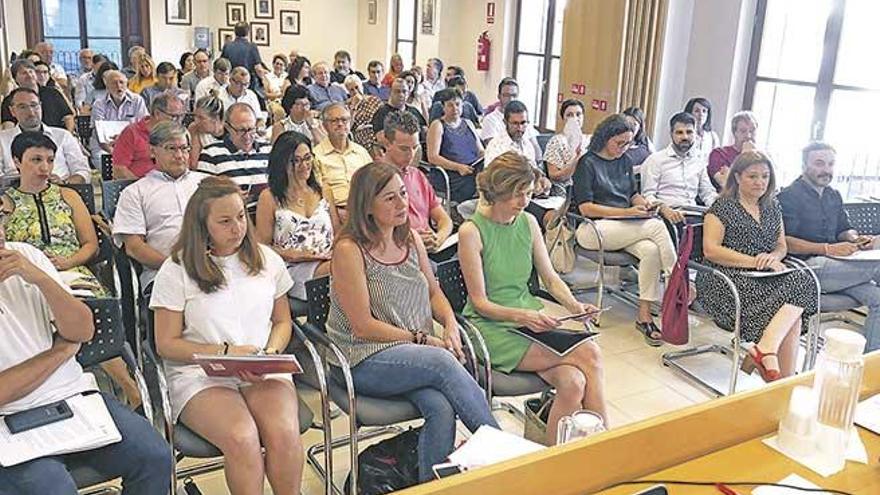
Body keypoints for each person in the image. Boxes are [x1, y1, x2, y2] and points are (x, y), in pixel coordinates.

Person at [327, 162, 498, 482]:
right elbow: (363, 326)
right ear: (367, 206)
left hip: (409, 355)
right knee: (443, 361)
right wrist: (424, 340)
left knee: (442, 408)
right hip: (360, 357)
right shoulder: (349, 250)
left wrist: (448, 324)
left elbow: (434, 293)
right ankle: (504, 453)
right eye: (389, 198)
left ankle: (431, 488)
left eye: (403, 194)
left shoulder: (410, 239)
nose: (402, 203)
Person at [150, 176, 305, 494]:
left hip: (262, 366)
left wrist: (271, 354)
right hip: (199, 373)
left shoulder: (266, 259)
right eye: (224, 221)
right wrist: (224, 352)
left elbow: (282, 323)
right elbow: (166, 344)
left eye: (240, 217)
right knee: (242, 437)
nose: (237, 228)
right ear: (202, 225)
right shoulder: (176, 269)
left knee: (284, 433)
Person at [0, 220, 173, 494]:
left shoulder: (24, 255)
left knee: (155, 456)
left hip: (74, 397)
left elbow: (83, 329)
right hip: (8, 419)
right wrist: (59, 352)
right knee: (53, 488)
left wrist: (40, 277)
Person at [459, 152, 607, 444]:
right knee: (591, 354)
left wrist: (575, 307)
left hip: (529, 322)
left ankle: (552, 463)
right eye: (517, 194)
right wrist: (523, 316)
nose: (524, 201)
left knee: (573, 383)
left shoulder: (527, 222)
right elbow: (480, 303)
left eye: (527, 193)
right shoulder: (471, 232)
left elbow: (550, 278)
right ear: (498, 191)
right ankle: (606, 446)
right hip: (491, 328)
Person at [697, 151, 818, 381]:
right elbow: (710, 250)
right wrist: (754, 261)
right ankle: (775, 368)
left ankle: (771, 361)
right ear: (738, 177)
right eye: (752, 176)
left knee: (802, 283)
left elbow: (781, 246)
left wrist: (773, 257)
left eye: (764, 176)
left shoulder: (772, 207)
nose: (760, 182)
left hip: (762, 276)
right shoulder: (721, 207)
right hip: (726, 278)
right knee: (794, 307)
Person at [571, 114, 677, 346]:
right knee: (657, 226)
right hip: (593, 228)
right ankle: (677, 283)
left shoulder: (625, 161)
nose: (623, 148)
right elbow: (586, 208)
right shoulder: (587, 163)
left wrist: (642, 204)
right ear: (605, 138)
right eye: (619, 143)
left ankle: (645, 315)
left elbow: (631, 195)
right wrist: (629, 213)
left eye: (628, 143)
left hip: (624, 227)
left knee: (650, 251)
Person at [779, 142, 880, 353]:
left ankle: (869, 369)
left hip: (840, 267)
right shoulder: (788, 196)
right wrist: (827, 248)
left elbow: (844, 228)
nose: (826, 170)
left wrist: (856, 238)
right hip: (805, 267)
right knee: (876, 268)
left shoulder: (833, 195)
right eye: (819, 163)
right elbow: (785, 241)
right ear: (804, 165)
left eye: (831, 164)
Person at [113, 121, 208, 296]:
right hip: (163, 274)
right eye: (172, 148)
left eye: (185, 148)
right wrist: (174, 267)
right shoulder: (135, 192)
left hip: (212, 268)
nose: (180, 155)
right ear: (152, 151)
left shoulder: (207, 184)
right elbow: (134, 247)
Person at [256, 131, 336, 300]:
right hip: (291, 266)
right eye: (296, 161)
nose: (304, 165)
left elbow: (339, 232)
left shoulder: (324, 191)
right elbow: (260, 246)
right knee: (340, 270)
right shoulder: (269, 197)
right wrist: (294, 254)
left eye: (307, 158)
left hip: (327, 259)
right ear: (282, 163)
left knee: (350, 265)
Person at [383, 111, 453, 257]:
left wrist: (438, 239)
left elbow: (444, 219)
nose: (411, 154)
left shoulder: (417, 175)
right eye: (404, 148)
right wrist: (412, 241)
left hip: (429, 248)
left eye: (415, 147)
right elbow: (369, 233)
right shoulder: (371, 180)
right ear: (387, 143)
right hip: (398, 254)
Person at [0, 88, 90, 184]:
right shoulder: (2, 139)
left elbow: (82, 171)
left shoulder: (63, 136)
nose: (31, 112)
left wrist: (64, 183)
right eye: (22, 107)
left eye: (34, 105)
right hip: (14, 193)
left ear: (41, 106)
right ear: (12, 111)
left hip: (60, 191)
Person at [640, 112, 718, 222]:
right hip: (666, 214)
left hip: (694, 213)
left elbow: (707, 192)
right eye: (679, 133)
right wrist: (663, 208)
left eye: (689, 132)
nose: (685, 137)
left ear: (695, 134)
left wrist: (720, 206)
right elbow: (647, 195)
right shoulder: (656, 160)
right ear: (671, 134)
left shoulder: (699, 160)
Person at [197, 103, 271, 211]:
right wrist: (230, 198)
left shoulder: (268, 150)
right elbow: (203, 197)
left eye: (251, 130)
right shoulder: (210, 154)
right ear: (228, 128)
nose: (247, 136)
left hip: (267, 214)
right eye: (241, 130)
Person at [426, 88, 485, 203]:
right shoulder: (438, 125)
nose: (455, 109)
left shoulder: (468, 123)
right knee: (481, 184)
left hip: (473, 169)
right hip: (452, 174)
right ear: (443, 107)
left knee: (494, 178)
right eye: (450, 105)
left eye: (458, 104)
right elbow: (433, 157)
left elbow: (480, 151)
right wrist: (458, 167)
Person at [313, 102, 372, 212]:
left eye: (344, 120)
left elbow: (374, 183)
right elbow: (317, 194)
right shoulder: (316, 156)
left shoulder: (361, 152)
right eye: (334, 121)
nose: (340, 124)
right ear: (324, 125)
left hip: (366, 210)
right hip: (334, 212)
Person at [113, 92, 186, 179]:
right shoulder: (131, 132)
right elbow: (119, 170)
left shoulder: (179, 134)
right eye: (174, 116)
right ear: (157, 114)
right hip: (140, 187)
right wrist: (142, 187)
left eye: (181, 116)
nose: (178, 121)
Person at [89, 69, 149, 169]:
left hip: (132, 144)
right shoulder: (99, 104)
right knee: (109, 165)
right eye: (114, 83)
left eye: (121, 82)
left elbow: (143, 127)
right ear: (107, 86)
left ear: (127, 83)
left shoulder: (137, 100)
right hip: (105, 147)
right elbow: (100, 136)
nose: (118, 86)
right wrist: (116, 152)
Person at [1, 59, 74, 133]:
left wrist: (68, 135)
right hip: (26, 140)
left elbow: (68, 117)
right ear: (15, 78)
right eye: (24, 73)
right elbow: (8, 126)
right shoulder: (9, 100)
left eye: (31, 71)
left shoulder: (53, 93)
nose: (29, 75)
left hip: (57, 136)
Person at [545, 99, 590, 196]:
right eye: (569, 115)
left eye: (578, 114)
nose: (575, 118)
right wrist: (577, 158)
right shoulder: (556, 141)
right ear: (563, 118)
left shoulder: (590, 140)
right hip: (567, 191)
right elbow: (554, 176)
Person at [484, 100, 544, 169]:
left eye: (523, 123)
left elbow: (533, 170)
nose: (520, 128)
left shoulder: (527, 144)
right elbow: (491, 177)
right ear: (505, 122)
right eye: (515, 123)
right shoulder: (495, 146)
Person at [480, 78, 538, 147]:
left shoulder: (523, 117)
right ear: (499, 96)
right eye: (506, 95)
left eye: (514, 96)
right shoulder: (490, 120)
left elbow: (535, 147)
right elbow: (493, 148)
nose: (511, 99)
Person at [708, 110, 758, 191]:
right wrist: (745, 156)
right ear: (735, 133)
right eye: (743, 131)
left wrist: (731, 173)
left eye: (752, 131)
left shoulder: (761, 158)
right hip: (728, 200)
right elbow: (727, 185)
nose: (748, 136)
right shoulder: (719, 154)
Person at [372, 77, 428, 143]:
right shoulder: (381, 113)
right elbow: (380, 138)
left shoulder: (414, 111)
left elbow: (425, 131)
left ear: (408, 93)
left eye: (404, 91)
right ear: (390, 92)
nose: (401, 95)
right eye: (397, 91)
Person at [344, 74, 384, 156]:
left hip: (375, 132)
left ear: (361, 86)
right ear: (348, 91)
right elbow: (348, 127)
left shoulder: (374, 100)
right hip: (360, 135)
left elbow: (383, 117)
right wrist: (354, 107)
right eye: (351, 90)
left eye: (357, 87)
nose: (355, 91)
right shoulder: (347, 106)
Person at [221, 21, 264, 89]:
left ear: (235, 32)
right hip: (246, 84)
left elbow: (222, 65)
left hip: (231, 83)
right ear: (248, 32)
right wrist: (264, 81)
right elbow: (258, 69)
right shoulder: (251, 46)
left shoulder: (227, 46)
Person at [187, 95, 226, 169]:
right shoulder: (194, 129)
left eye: (201, 118)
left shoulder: (232, 130)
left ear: (215, 118)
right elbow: (193, 164)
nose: (196, 121)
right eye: (195, 116)